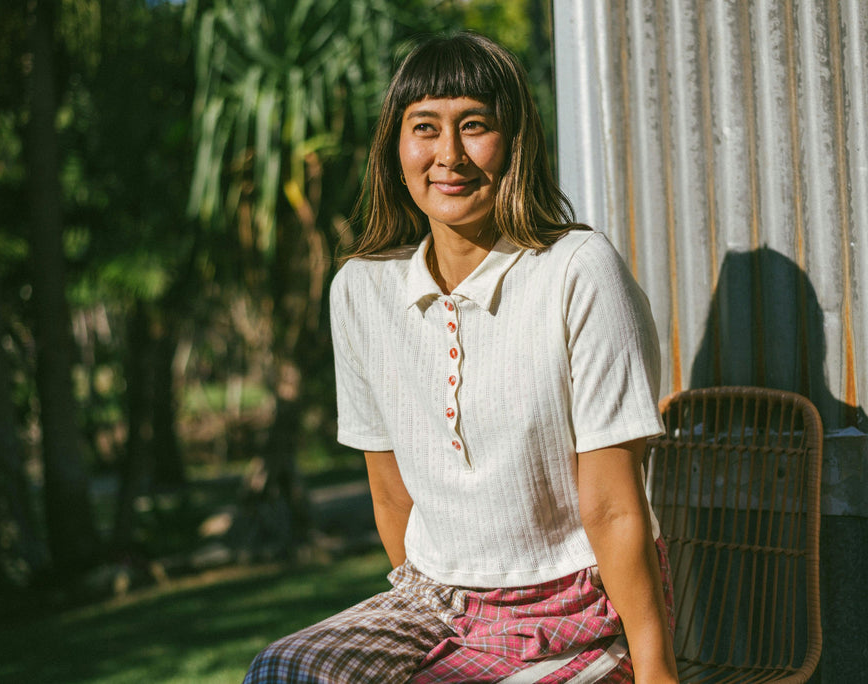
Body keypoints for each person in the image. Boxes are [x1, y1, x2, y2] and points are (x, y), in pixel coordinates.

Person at [244, 31, 678, 683]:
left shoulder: (576, 271)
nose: (449, 155)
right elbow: (390, 496)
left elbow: (613, 507)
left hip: (575, 608)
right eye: (425, 128)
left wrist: (657, 671)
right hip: (433, 602)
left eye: (474, 126)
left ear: (515, 143)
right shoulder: (361, 290)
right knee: (284, 670)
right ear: (396, 149)